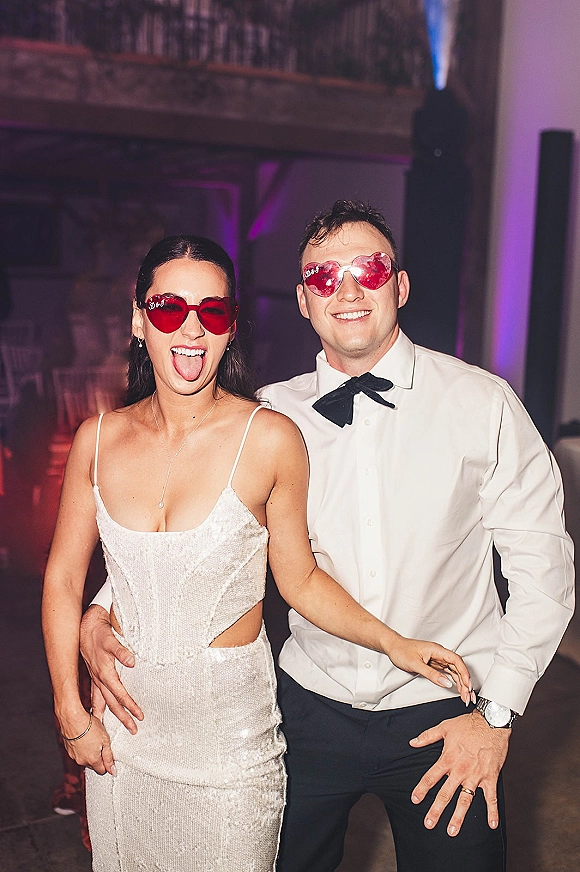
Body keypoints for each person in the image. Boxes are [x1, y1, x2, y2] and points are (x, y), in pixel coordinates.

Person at [80, 204, 574, 872]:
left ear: (399, 286)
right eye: (323, 276)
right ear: (303, 301)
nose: (347, 290)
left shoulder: (482, 404)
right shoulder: (264, 417)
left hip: (446, 708)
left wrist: (496, 716)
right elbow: (197, 533)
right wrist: (103, 608)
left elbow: (545, 568)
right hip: (302, 711)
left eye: (369, 270)